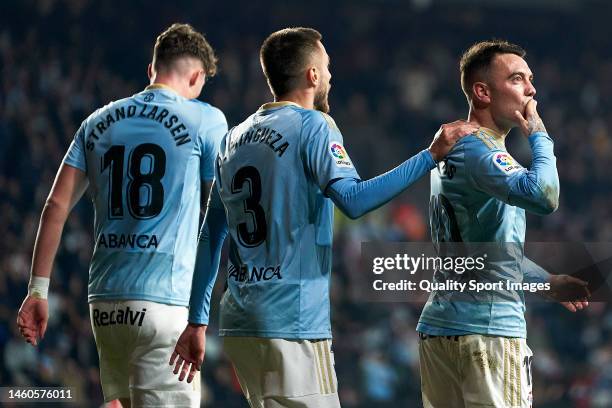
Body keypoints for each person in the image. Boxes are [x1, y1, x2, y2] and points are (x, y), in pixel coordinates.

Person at [169, 27, 477, 407]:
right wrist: (430, 155)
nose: (330, 75)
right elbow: (353, 199)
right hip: (292, 319)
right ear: (312, 75)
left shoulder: (233, 138)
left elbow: (210, 234)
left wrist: (197, 320)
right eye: (327, 66)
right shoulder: (313, 125)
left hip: (239, 321)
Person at [16, 23, 227, 407]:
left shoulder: (96, 122)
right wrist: (200, 316)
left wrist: (37, 291)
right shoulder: (206, 120)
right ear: (196, 77)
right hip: (165, 305)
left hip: (105, 306)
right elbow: (214, 218)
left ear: (151, 70)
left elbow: (55, 206)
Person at [417, 40, 590, 408]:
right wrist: (540, 134)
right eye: (517, 79)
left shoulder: (455, 150)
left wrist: (544, 283)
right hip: (488, 332)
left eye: (530, 79)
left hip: (441, 328)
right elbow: (545, 195)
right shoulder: (482, 151)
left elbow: (486, 255)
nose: (531, 90)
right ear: (482, 91)